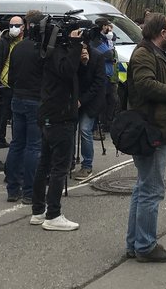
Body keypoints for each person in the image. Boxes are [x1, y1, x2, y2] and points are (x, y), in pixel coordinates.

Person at [125, 14, 166, 262]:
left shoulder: (155, 52)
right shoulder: (144, 53)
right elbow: (145, 85)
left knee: (144, 187)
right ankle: (145, 245)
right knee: (151, 189)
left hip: (157, 125)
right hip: (151, 128)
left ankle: (136, 243)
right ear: (161, 33)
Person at [29, 21, 83, 232]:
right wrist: (76, 45)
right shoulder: (57, 53)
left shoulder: (44, 52)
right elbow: (67, 71)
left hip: (48, 114)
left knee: (44, 164)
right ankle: (53, 214)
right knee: (59, 167)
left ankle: (38, 210)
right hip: (60, 116)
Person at [4, 10, 44, 203]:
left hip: (17, 98)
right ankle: (29, 192)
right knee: (33, 147)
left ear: (27, 26)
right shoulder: (41, 49)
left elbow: (10, 78)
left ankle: (12, 189)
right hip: (35, 100)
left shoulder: (18, 48)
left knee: (17, 144)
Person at [0, 17, 25, 171]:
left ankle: (15, 158)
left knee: (18, 125)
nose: (14, 28)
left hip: (19, 88)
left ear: (24, 27)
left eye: (17, 25)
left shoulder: (25, 43)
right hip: (2, 88)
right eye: (11, 25)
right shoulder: (1, 43)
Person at [73, 35, 107, 182]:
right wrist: (80, 64)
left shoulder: (97, 57)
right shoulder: (72, 56)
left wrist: (86, 64)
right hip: (75, 98)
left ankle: (87, 165)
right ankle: (69, 161)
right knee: (69, 129)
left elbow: (98, 82)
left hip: (91, 100)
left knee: (85, 130)